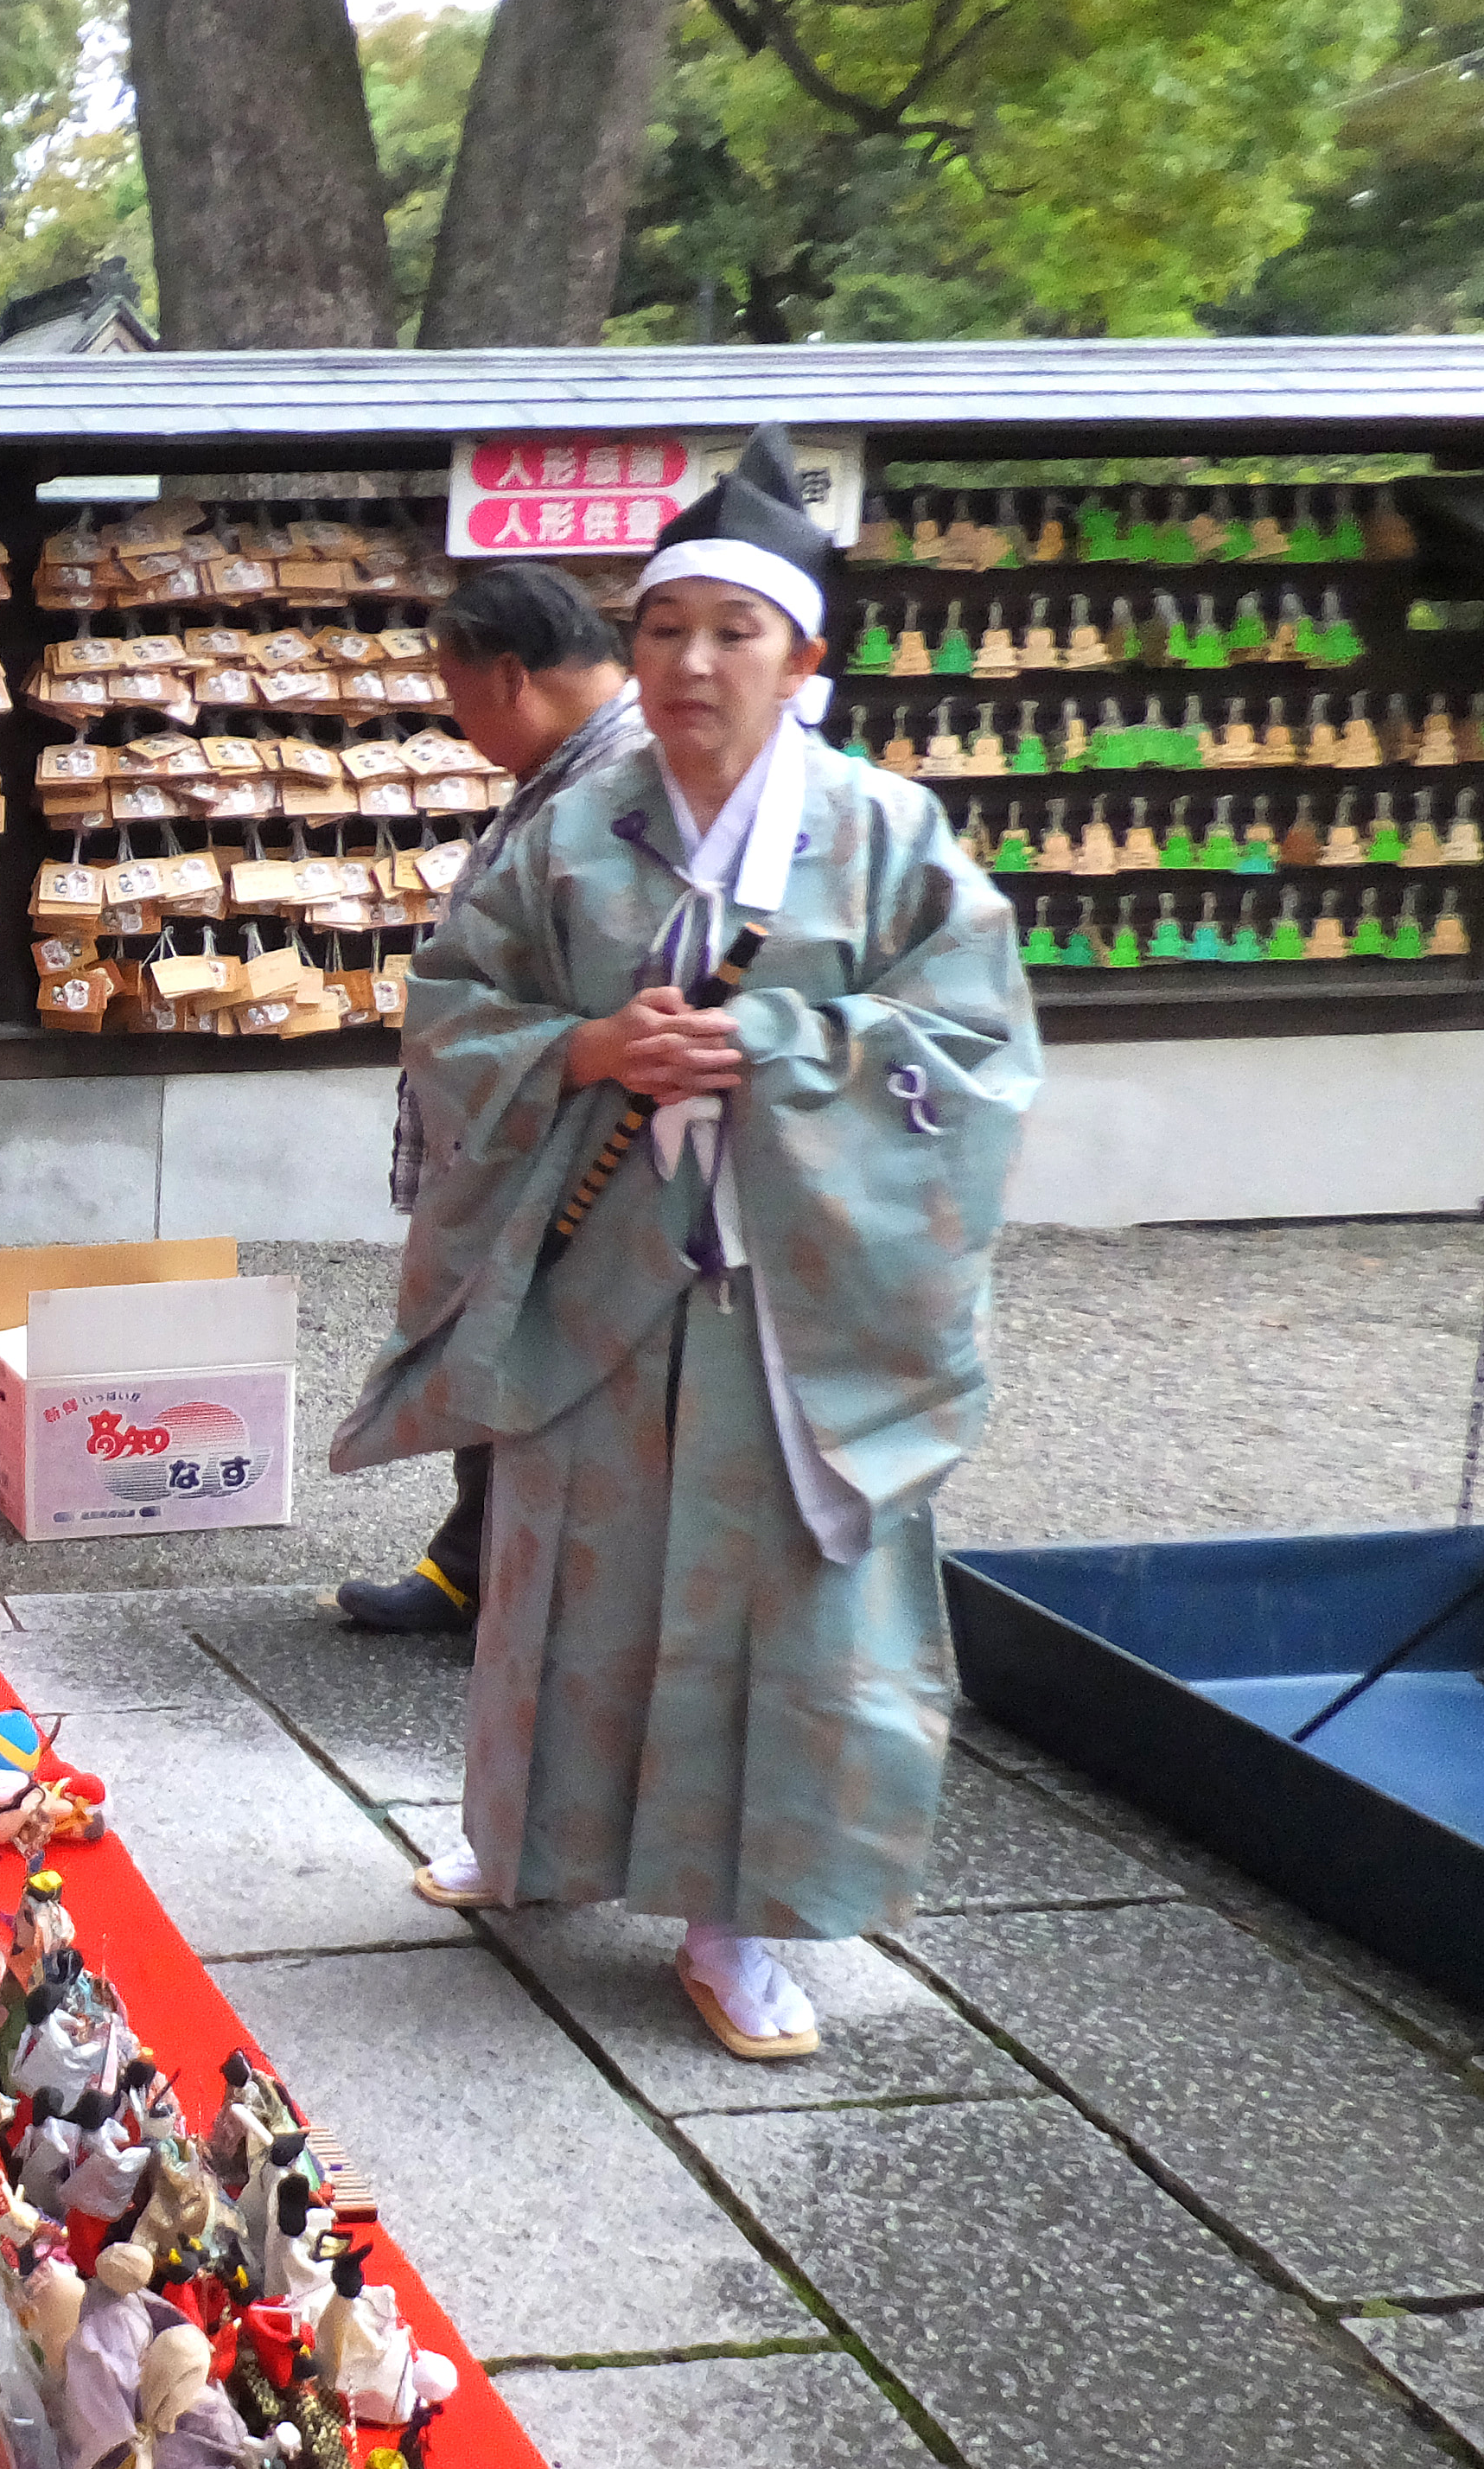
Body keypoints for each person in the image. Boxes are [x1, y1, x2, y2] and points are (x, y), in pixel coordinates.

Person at [333, 425, 1036, 2063]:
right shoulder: (571, 837)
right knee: (563, 1574)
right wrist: (584, 1052)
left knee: (769, 1608)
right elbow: (449, 1013)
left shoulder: (884, 838)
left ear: (803, 656)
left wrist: (782, 1051)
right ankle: (532, 1845)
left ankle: (741, 1926)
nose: (690, 664)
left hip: (793, 1302)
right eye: (661, 631)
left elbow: (975, 1050)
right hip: (600, 1279)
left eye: (731, 633)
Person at [337, 562, 644, 1643]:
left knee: (554, 1362)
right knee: (495, 1344)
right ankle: (481, 1567)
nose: (454, 719)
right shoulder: (576, 774)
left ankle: (529, 1588)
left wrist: (582, 1049)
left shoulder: (638, 782)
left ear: (509, 675)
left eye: (456, 691)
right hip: (530, 1112)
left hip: (596, 1137)